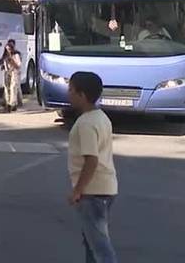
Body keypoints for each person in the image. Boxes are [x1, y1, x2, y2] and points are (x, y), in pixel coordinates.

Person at [67, 71, 119, 263]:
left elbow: (92, 160)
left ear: (82, 95)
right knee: (91, 242)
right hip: (106, 188)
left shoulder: (86, 124)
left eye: (71, 90)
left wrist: (78, 190)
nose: (68, 93)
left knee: (100, 247)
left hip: (93, 191)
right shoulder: (101, 117)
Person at [0, 40, 24, 113]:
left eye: (9, 49)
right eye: (7, 50)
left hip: (14, 71)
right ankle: (7, 102)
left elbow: (18, 66)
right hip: (7, 72)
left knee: (13, 87)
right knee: (6, 87)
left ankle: (12, 103)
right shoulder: (5, 56)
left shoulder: (16, 55)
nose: (8, 51)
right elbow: (1, 61)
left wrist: (12, 61)